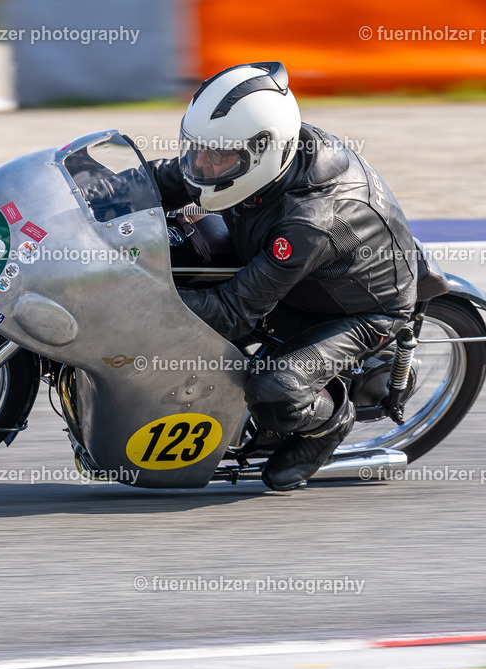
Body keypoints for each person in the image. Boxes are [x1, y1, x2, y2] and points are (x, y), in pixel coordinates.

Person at [145, 62, 418, 491]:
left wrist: (135, 304)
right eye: (196, 148)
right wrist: (87, 193)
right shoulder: (250, 153)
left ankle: (329, 423)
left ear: (262, 154)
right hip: (296, 264)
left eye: (217, 155)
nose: (201, 163)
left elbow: (233, 312)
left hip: (358, 309)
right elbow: (162, 179)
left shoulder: (309, 222)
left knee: (275, 390)